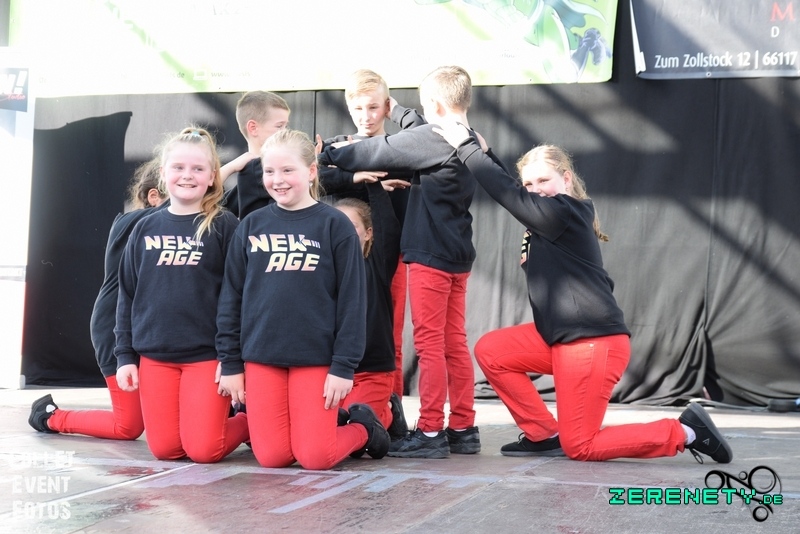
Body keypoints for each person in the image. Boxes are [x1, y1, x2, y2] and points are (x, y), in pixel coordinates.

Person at [433, 127, 733, 464]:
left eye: (543, 180)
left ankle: (686, 432)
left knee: (581, 446)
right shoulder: (548, 216)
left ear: (566, 179)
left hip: (590, 344)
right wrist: (486, 155)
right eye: (529, 184)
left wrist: (467, 149)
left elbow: (507, 194)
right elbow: (514, 193)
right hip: (563, 338)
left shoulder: (564, 211)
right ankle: (543, 434)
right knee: (493, 351)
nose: (536, 189)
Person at [318, 66, 481, 459]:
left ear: (386, 105)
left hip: (400, 256)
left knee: (403, 339)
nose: (366, 115)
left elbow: (371, 152)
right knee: (436, 340)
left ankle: (408, 419)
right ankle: (450, 425)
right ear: (348, 107)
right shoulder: (353, 144)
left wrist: (347, 162)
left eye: (375, 107)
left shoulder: (410, 143)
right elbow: (319, 175)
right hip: (355, 259)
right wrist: (359, 178)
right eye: (358, 107)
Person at [215, 129, 390, 470]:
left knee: (315, 457)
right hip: (263, 357)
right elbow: (231, 297)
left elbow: (353, 301)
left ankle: (363, 429)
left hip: (316, 359)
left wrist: (343, 366)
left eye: (287, 170)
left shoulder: (335, 225)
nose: (277, 180)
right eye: (269, 171)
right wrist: (231, 362)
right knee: (273, 457)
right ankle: (322, 425)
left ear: (311, 171)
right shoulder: (251, 226)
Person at [114, 126, 249, 463]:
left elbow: (239, 296)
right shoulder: (143, 227)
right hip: (155, 357)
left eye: (198, 168)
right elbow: (127, 293)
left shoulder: (224, 226)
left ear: (212, 176)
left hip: (207, 358)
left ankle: (250, 423)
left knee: (204, 450)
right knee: (165, 449)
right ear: (163, 173)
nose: (187, 175)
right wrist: (125, 356)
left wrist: (231, 358)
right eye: (178, 167)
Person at [28, 158, 168, 439]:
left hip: (151, 332)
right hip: (114, 329)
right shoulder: (129, 223)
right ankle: (50, 416)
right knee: (128, 426)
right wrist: (219, 174)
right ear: (154, 196)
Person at [333, 182, 409, 446]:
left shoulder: (376, 265)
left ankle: (387, 413)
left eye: (351, 227)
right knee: (332, 423)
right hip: (334, 374)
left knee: (356, 422)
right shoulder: (321, 269)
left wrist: (373, 183)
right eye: (337, 226)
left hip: (372, 371)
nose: (343, 233)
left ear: (368, 234)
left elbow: (388, 227)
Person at [220, 90, 290, 219]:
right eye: (279, 126)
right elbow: (202, 196)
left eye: (286, 126)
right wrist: (231, 167)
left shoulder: (245, 180)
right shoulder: (251, 171)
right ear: (253, 128)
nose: (285, 132)